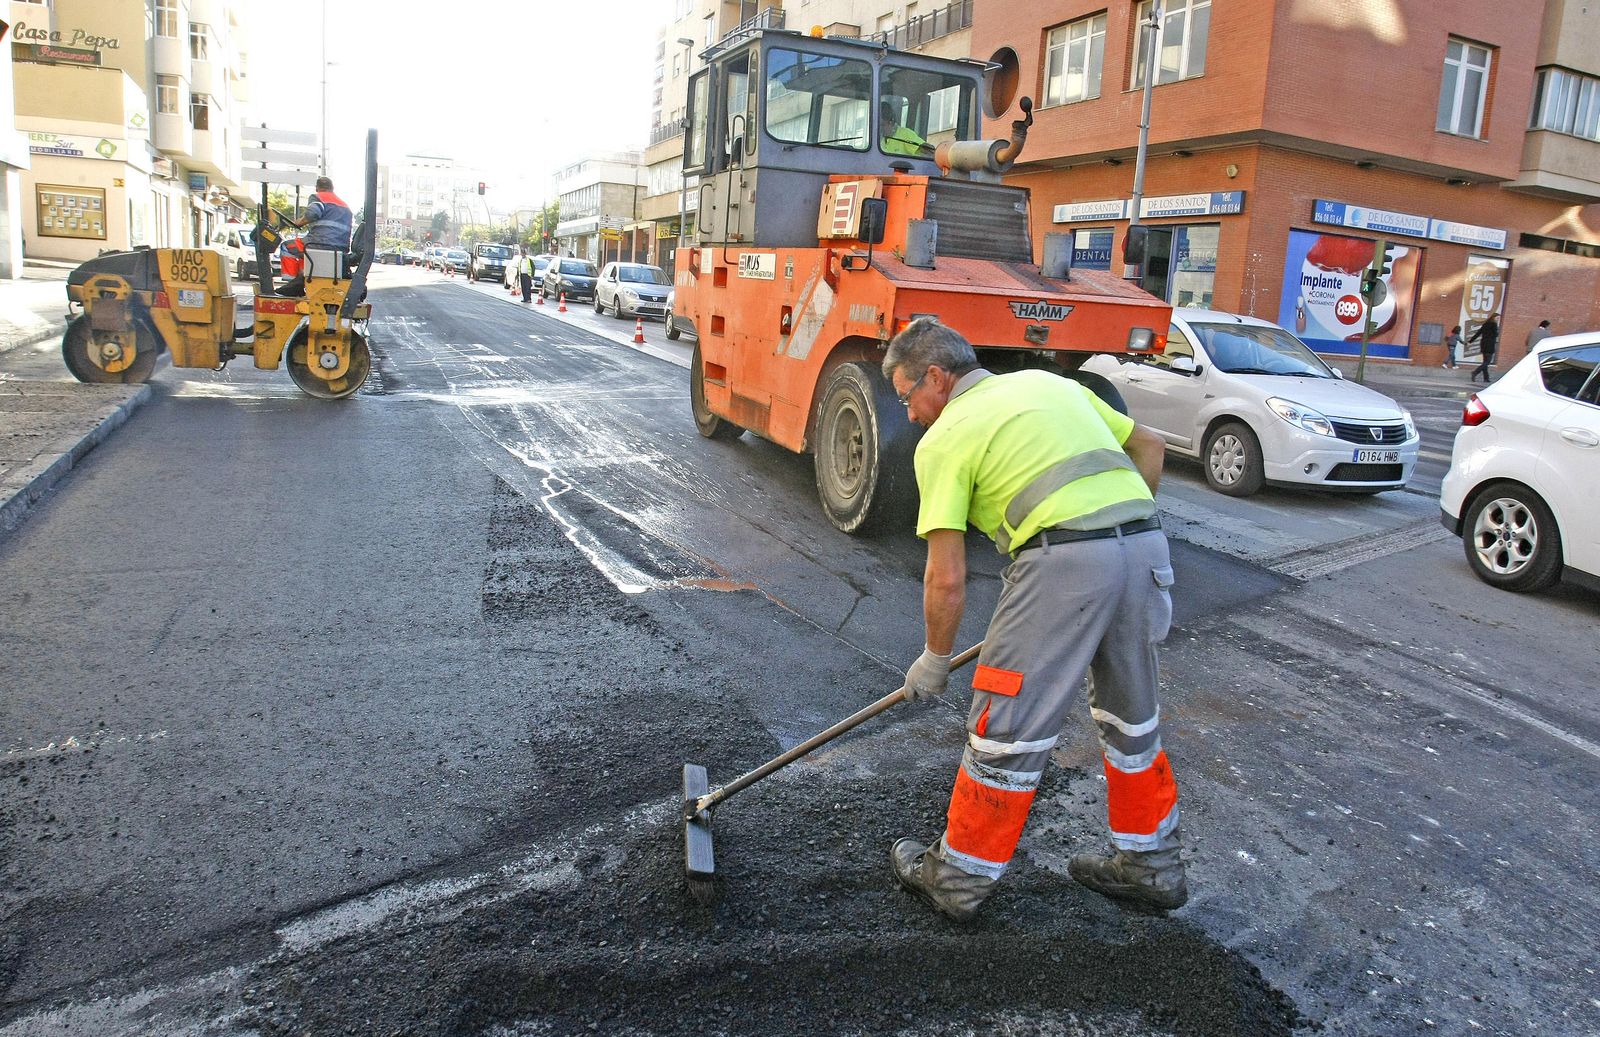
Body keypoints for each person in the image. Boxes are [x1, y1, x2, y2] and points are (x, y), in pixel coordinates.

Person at [883, 318, 1186, 922]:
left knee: (1008, 724)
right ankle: (1151, 865)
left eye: (906, 396)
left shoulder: (945, 439)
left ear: (936, 379)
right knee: (1131, 717)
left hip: (1062, 564)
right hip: (1147, 550)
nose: (909, 414)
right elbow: (1148, 446)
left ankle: (959, 878)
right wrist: (1117, 538)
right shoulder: (1053, 386)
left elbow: (945, 575)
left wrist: (935, 659)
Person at [278, 176, 353, 294]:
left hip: (318, 244)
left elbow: (313, 214)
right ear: (332, 188)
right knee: (305, 253)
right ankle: (304, 278)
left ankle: (293, 285)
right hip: (340, 248)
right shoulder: (345, 205)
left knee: (286, 247)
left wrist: (299, 222)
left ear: (317, 188)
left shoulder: (318, 197)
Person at [1468, 314, 1500, 383]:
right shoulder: (1494, 325)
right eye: (1497, 318)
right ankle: (1475, 372)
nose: (1498, 319)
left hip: (1483, 344)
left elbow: (1478, 333)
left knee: (1485, 362)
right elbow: (1496, 334)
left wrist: (1470, 341)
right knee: (1487, 362)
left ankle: (1486, 378)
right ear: (1494, 318)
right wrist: (1497, 329)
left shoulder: (1485, 324)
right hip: (1490, 345)